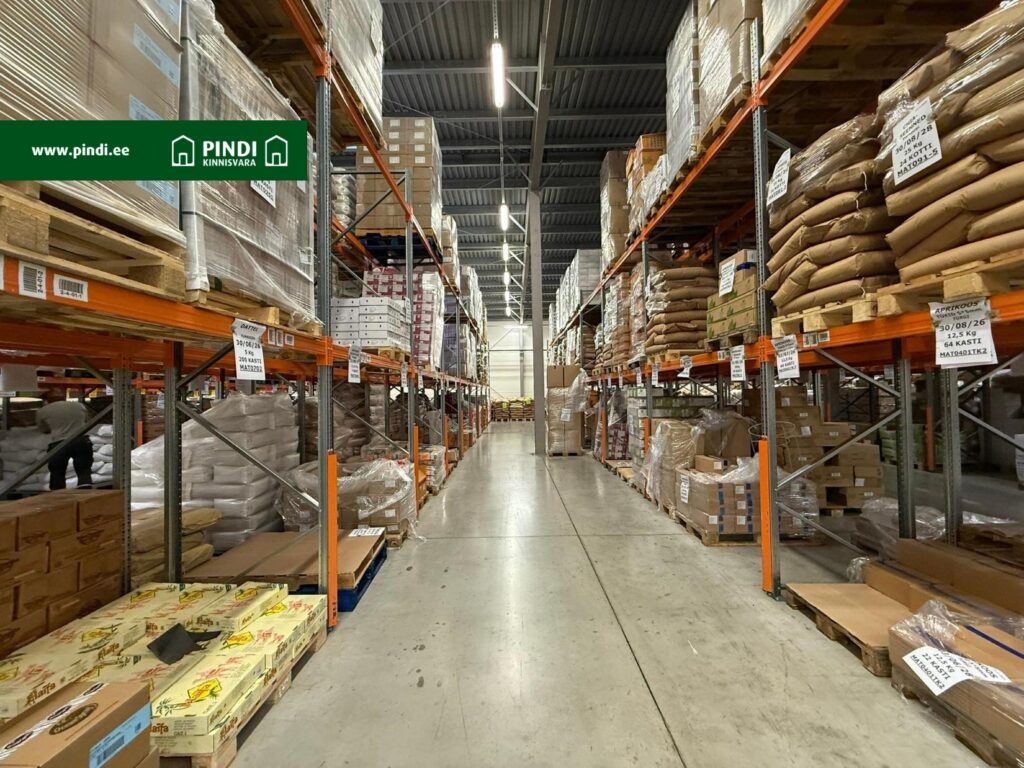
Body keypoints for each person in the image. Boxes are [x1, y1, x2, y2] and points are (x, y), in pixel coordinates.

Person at [36, 390, 93, 490]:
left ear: (47, 400)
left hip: (59, 443)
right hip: (81, 440)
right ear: (64, 397)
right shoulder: (79, 406)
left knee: (57, 472)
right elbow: (87, 421)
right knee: (84, 470)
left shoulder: (42, 411)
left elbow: (43, 429)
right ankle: (85, 489)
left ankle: (58, 494)